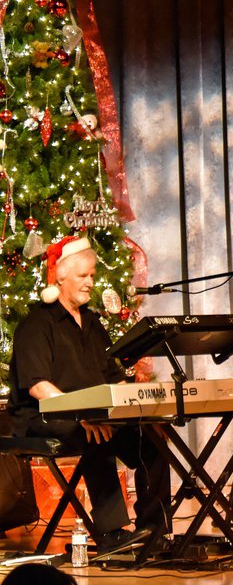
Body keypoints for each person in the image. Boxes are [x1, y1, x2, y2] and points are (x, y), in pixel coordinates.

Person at [8, 236, 171, 553]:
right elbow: (38, 386)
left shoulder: (94, 324)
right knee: (99, 432)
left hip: (90, 415)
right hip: (42, 417)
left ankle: (153, 531)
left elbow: (114, 382)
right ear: (60, 275)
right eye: (83, 276)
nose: (90, 283)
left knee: (150, 437)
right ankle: (111, 533)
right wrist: (79, 414)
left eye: (92, 276)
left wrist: (143, 410)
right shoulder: (36, 324)